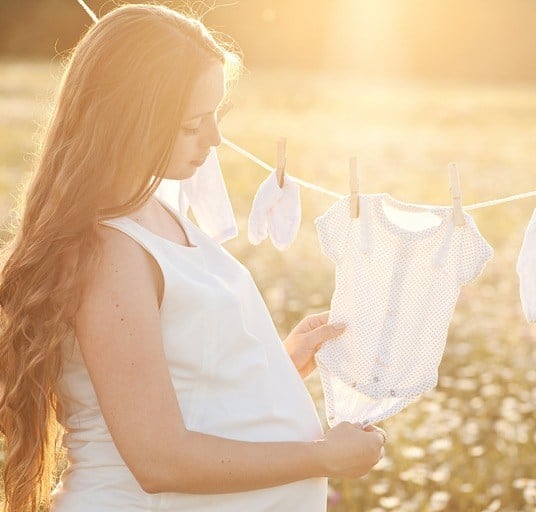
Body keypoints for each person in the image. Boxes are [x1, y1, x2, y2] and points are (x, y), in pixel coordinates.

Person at [0, 4, 386, 512]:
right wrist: (323, 458)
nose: (215, 140)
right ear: (129, 121)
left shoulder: (153, 213)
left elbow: (175, 380)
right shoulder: (109, 251)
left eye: (217, 117)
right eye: (192, 125)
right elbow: (159, 460)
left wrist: (280, 363)